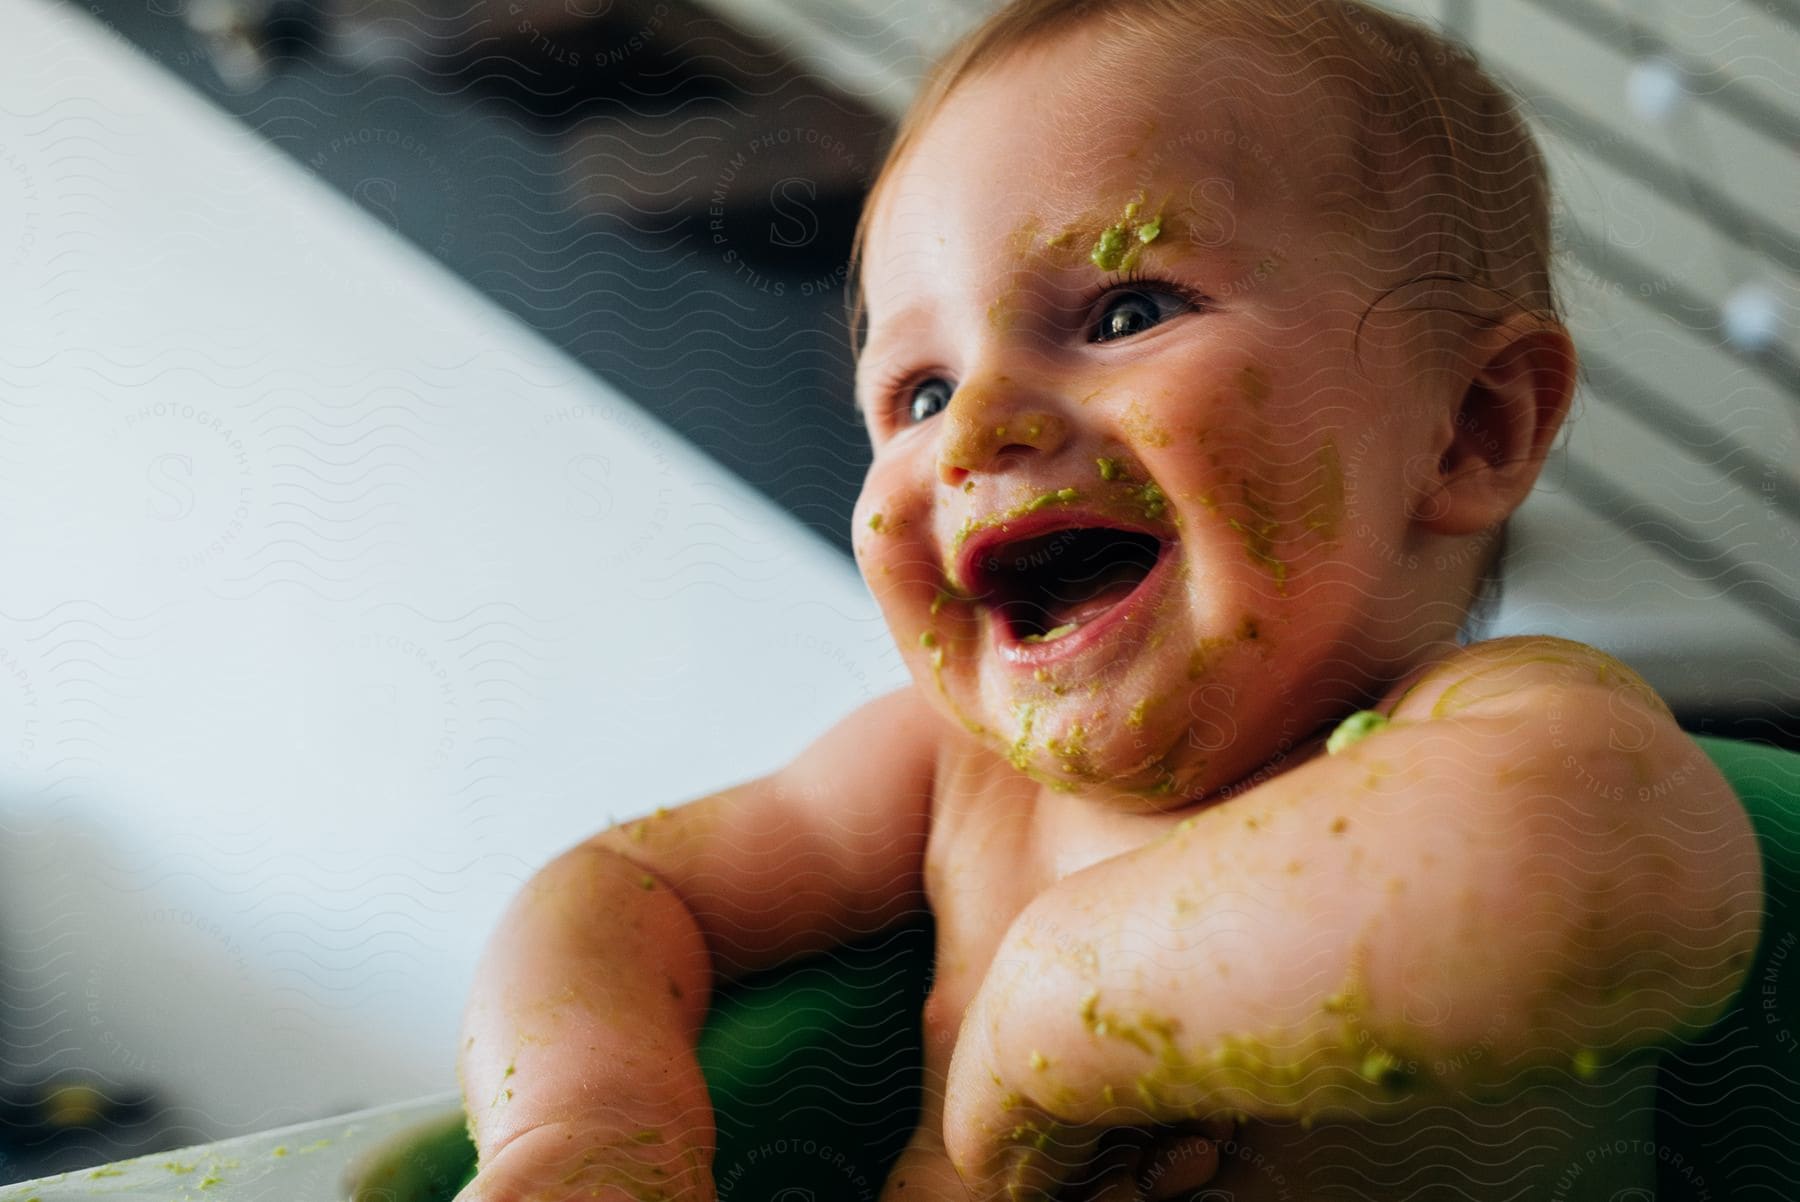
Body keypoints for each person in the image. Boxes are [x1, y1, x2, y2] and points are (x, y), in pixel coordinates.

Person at [454, 1, 1764, 1197]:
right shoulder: (954, 774)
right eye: (915, 391)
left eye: (1125, 309)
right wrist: (591, 1118)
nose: (975, 425)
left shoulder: (1485, 723)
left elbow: (1593, 869)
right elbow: (621, 890)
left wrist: (1050, 1005)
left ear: (1470, 428)